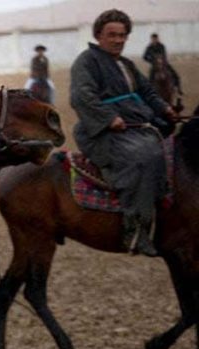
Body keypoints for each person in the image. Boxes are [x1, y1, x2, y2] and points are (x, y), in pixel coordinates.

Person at [70, 10, 176, 257]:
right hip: (101, 132)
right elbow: (81, 97)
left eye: (122, 35)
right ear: (98, 35)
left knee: (167, 149)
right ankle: (134, 231)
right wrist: (109, 119)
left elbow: (148, 92)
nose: (118, 40)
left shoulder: (126, 64)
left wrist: (164, 108)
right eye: (112, 35)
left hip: (134, 125)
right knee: (143, 156)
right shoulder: (86, 61)